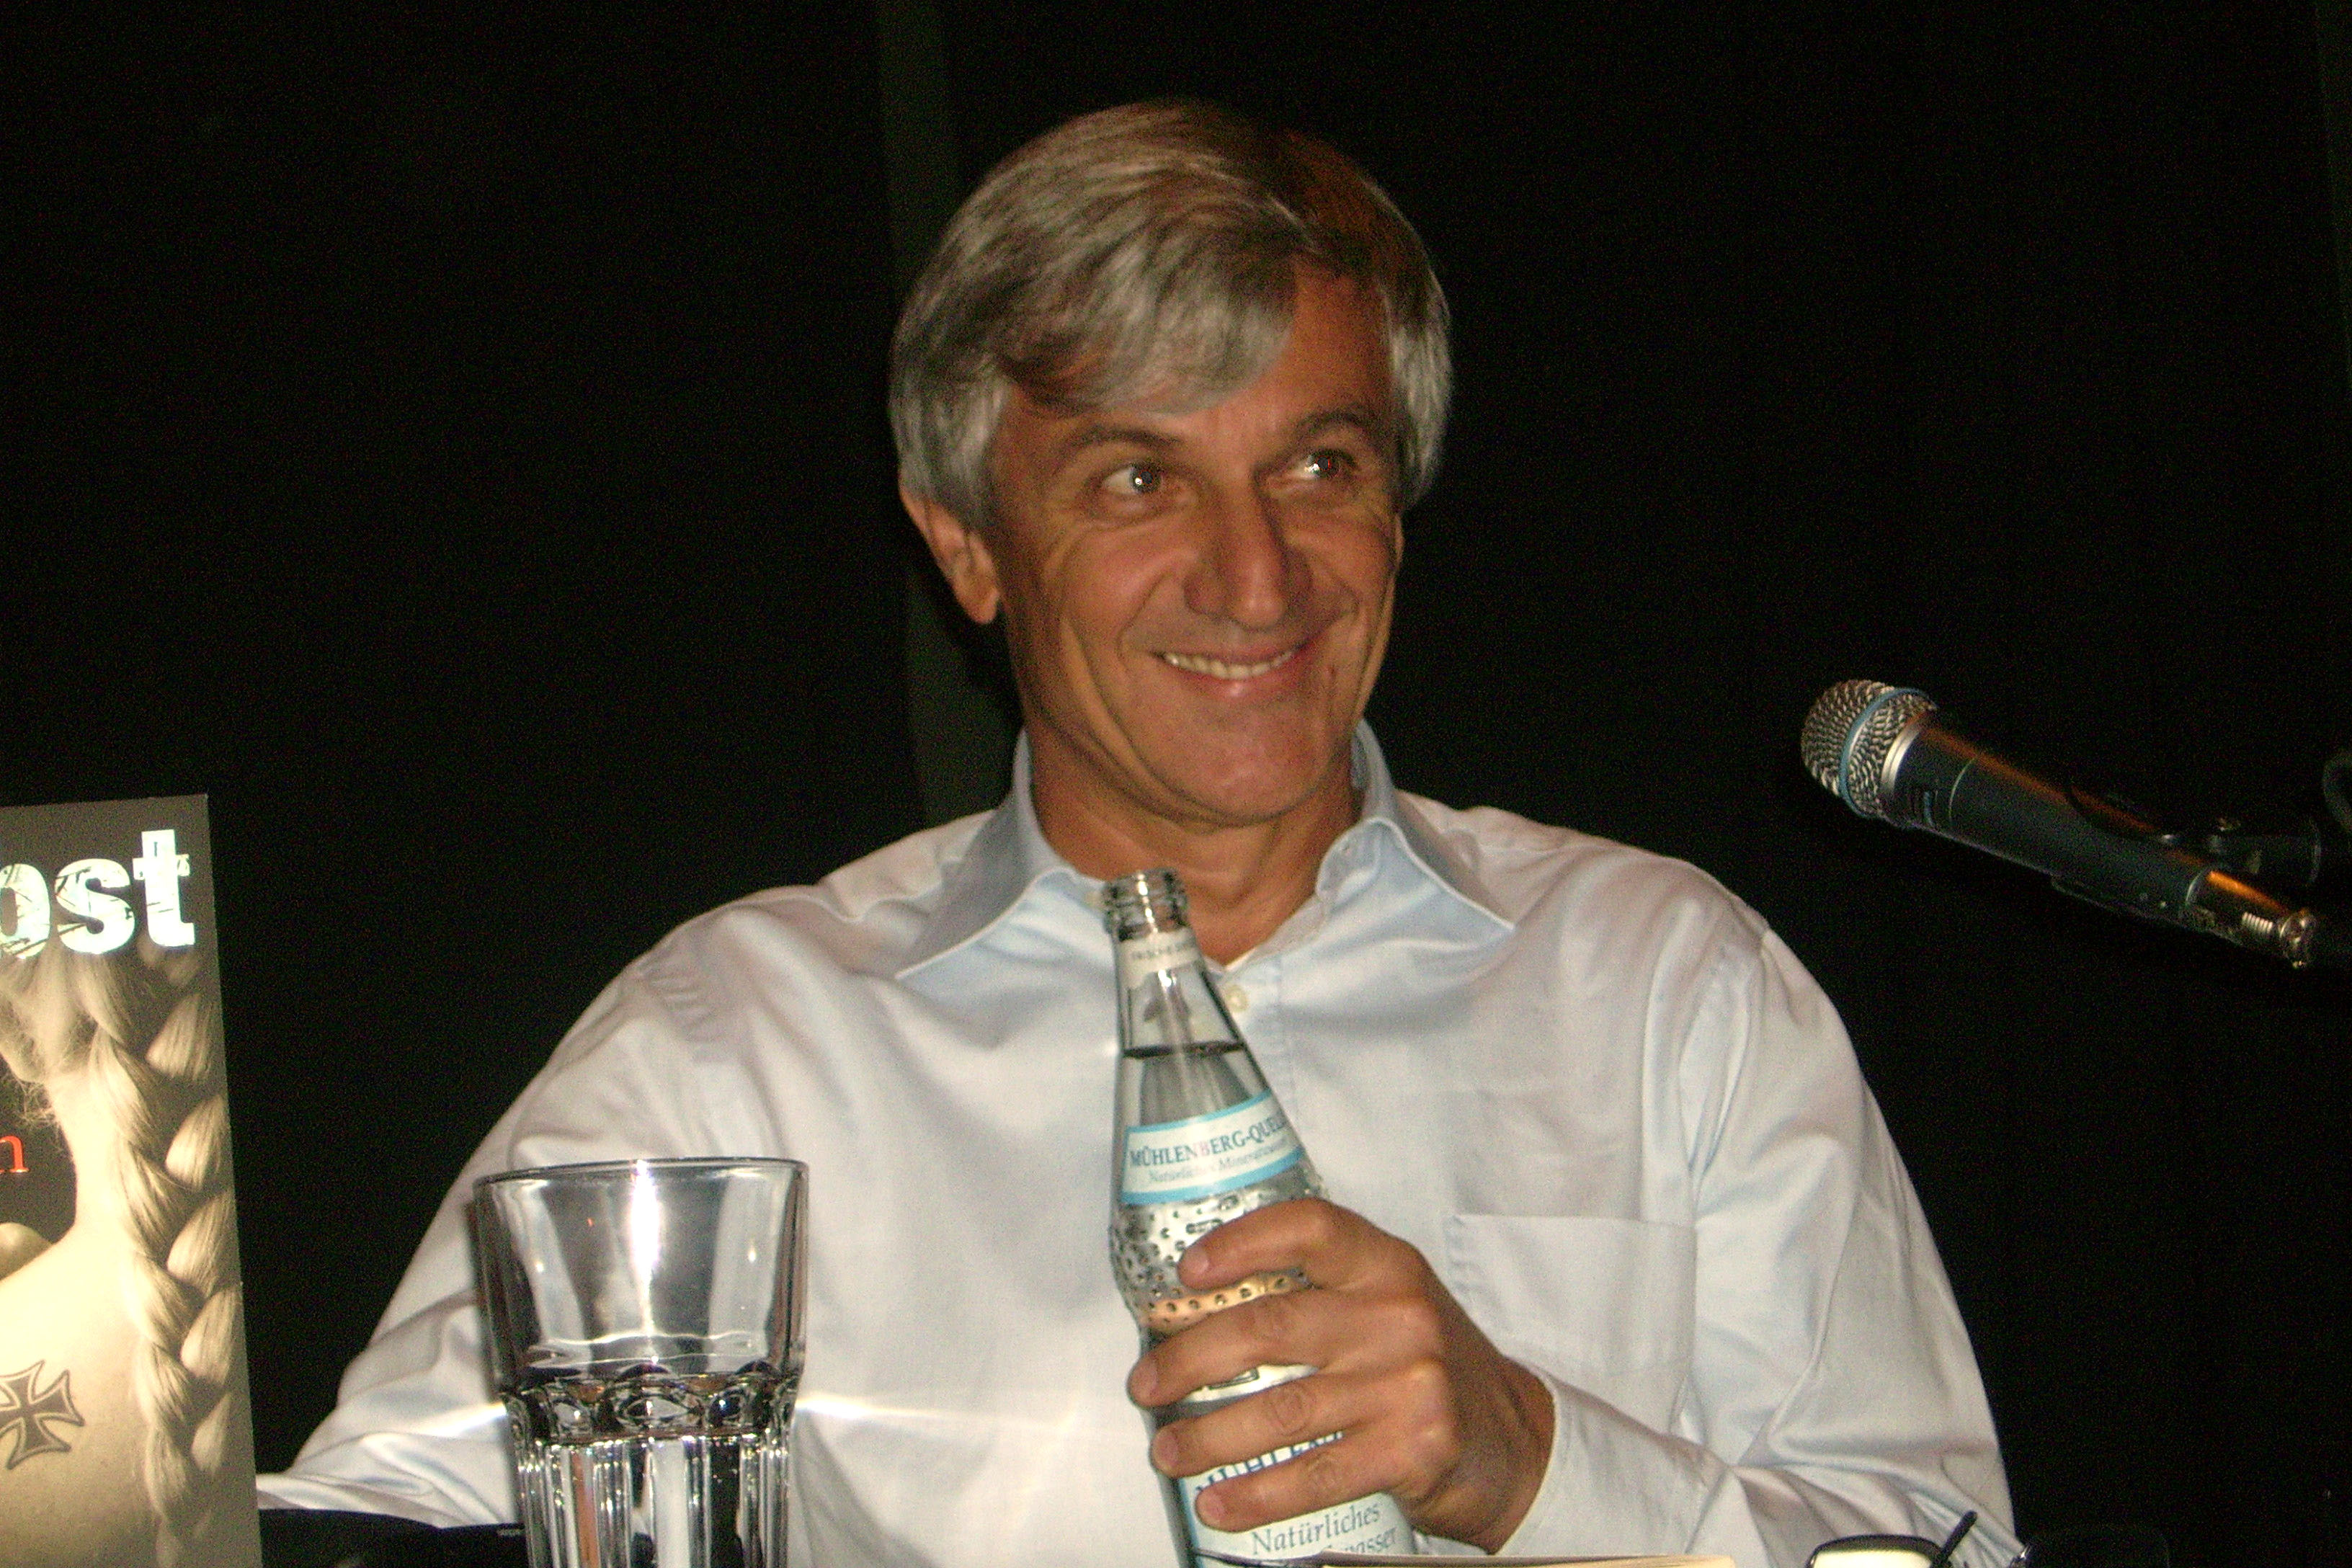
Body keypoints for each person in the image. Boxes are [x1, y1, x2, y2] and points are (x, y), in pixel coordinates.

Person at [259, 99, 2018, 1567]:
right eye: (1137, 478)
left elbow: (1938, 1546)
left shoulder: (1665, 983)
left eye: (1319, 465)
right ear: (966, 545)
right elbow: (373, 1532)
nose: (1255, 577)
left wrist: (1541, 1461)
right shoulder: (738, 1047)